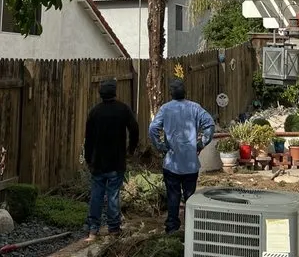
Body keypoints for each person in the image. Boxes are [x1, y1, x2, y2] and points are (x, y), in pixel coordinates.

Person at [148, 78, 215, 234]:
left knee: (173, 196)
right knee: (190, 196)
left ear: (171, 94)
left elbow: (152, 129)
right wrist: (201, 144)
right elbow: (210, 125)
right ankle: (191, 227)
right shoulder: (195, 108)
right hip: (190, 163)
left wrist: (160, 146)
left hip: (171, 162)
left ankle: (172, 227)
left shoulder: (165, 109)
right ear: (185, 92)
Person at [83, 79, 139, 241]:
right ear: (115, 92)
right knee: (113, 194)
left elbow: (89, 139)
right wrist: (131, 149)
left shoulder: (95, 112)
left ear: (100, 93)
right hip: (117, 160)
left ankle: (93, 230)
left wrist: (88, 159)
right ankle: (113, 228)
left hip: (98, 162)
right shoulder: (123, 110)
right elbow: (134, 129)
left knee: (96, 195)